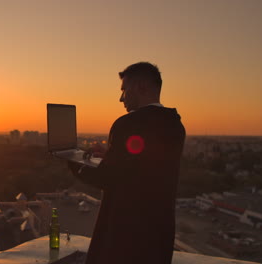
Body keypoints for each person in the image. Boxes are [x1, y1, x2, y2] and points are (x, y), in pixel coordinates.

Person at [69, 62, 185, 264]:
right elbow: (143, 166)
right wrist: (111, 154)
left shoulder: (128, 123)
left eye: (124, 90)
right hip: (158, 231)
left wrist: (73, 163)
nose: (121, 98)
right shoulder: (175, 124)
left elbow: (107, 178)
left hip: (126, 234)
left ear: (141, 87)